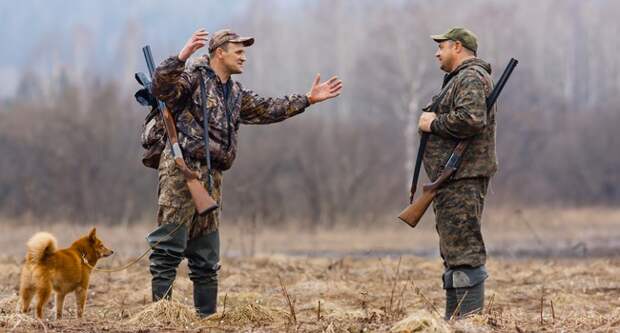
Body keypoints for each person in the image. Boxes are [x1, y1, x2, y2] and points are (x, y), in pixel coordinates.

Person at [148, 28, 343, 317]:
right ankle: (160, 317)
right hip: (182, 171)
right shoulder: (192, 78)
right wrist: (182, 55)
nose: (244, 56)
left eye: (244, 51)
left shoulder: (235, 93)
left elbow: (268, 109)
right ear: (219, 53)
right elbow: (160, 89)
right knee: (168, 249)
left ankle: (207, 318)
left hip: (213, 178)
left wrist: (308, 99)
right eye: (238, 51)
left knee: (206, 255)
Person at [418, 27, 496, 319]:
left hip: (463, 176)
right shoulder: (460, 79)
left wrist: (432, 122)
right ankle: (454, 322)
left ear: (458, 47)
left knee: (464, 254)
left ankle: (467, 323)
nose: (437, 53)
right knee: (454, 253)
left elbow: (472, 119)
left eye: (442, 47)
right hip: (452, 179)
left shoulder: (470, 78)